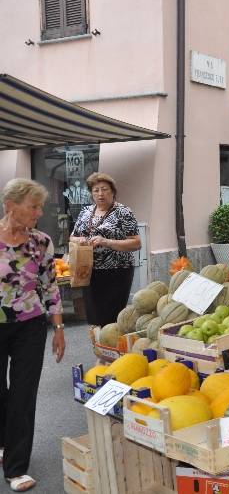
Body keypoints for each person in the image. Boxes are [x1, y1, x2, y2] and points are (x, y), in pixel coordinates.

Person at [0, 178, 66, 492]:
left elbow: (50, 287)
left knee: (23, 396)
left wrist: (59, 328)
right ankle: (3, 442)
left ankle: (16, 468)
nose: (38, 212)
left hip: (31, 326)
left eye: (40, 207)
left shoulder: (40, 242)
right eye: (33, 206)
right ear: (11, 205)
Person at [69, 173, 141, 326]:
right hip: (88, 270)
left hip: (116, 272)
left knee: (111, 317)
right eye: (96, 190)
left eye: (104, 189)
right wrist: (80, 240)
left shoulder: (123, 212)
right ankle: (99, 347)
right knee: (94, 316)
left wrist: (106, 241)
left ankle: (112, 347)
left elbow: (136, 243)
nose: (100, 194)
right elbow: (72, 237)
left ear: (112, 191)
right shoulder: (86, 211)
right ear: (91, 193)